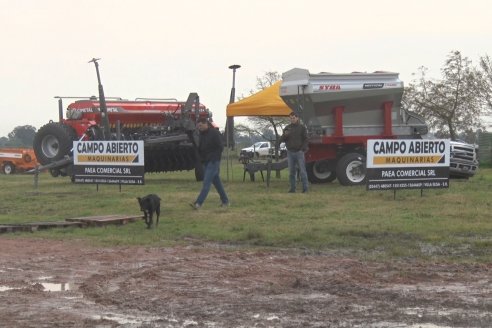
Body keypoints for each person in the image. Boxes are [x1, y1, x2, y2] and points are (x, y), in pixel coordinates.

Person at [190, 117, 229, 209]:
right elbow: (200, 149)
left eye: (200, 125)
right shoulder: (201, 135)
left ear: (205, 124)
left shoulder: (214, 133)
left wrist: (215, 158)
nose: (199, 127)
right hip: (206, 162)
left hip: (214, 161)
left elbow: (220, 147)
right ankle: (225, 201)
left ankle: (198, 203)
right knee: (217, 183)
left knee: (206, 182)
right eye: (198, 126)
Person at [279, 111, 309, 193]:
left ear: (297, 118)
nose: (292, 119)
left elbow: (306, 139)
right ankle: (292, 189)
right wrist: (283, 137)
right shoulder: (287, 128)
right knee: (291, 172)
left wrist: (302, 149)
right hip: (290, 153)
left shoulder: (302, 128)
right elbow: (283, 138)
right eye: (291, 118)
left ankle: (305, 189)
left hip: (299, 153)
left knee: (302, 171)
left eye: (294, 118)